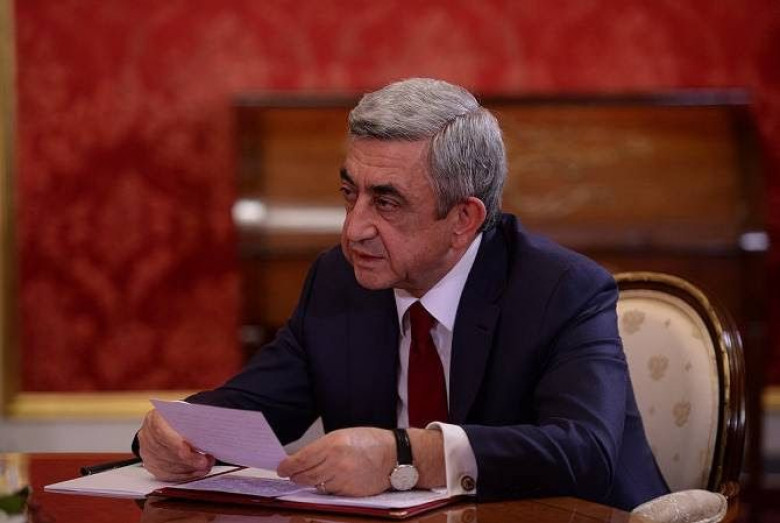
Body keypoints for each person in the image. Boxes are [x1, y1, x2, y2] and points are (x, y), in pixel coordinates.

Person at [135, 78, 668, 510]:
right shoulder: (339, 280)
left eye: (386, 203)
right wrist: (177, 429)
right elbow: (256, 407)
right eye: (351, 194)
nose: (354, 230)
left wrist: (408, 455)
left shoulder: (562, 290)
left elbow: (583, 451)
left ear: (464, 219)